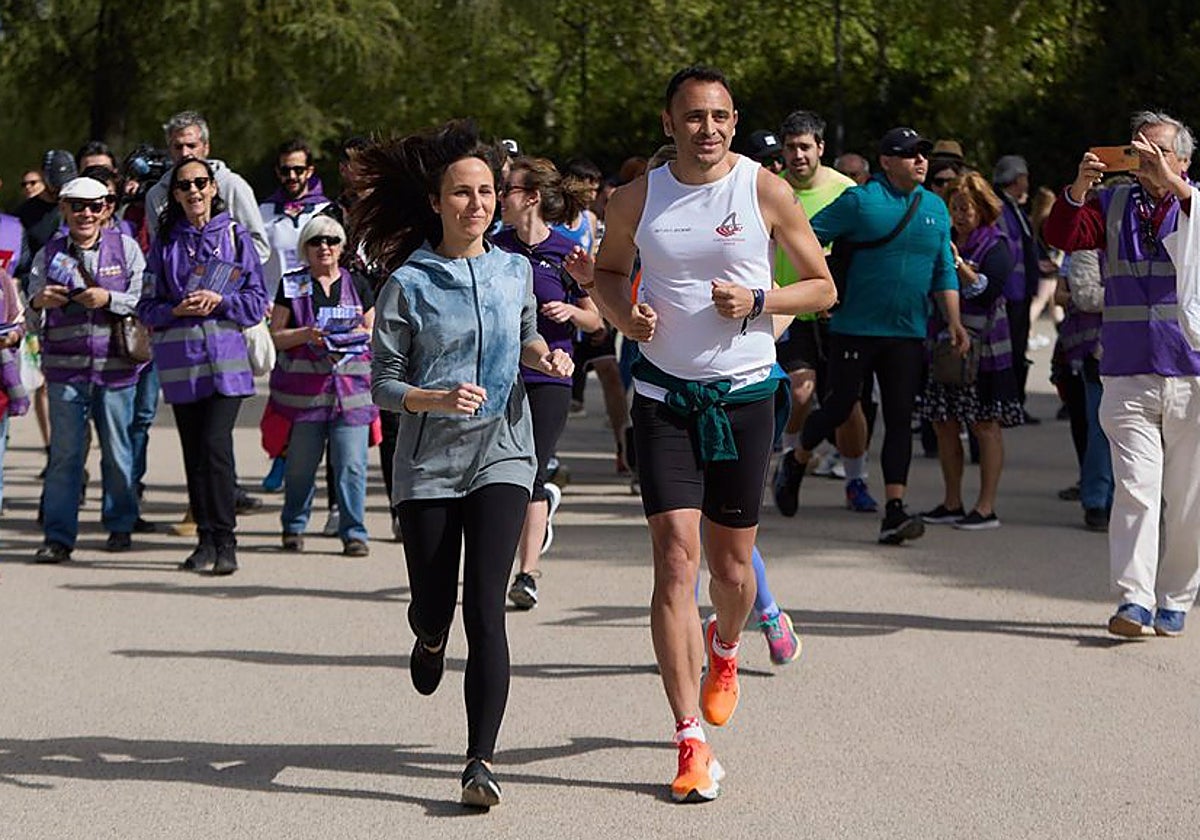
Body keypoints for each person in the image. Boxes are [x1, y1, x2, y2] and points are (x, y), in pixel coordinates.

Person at [576, 66, 836, 803]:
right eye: (694, 116)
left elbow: (822, 288)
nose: (709, 129)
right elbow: (608, 272)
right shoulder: (636, 197)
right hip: (662, 398)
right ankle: (689, 737)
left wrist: (760, 298)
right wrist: (626, 319)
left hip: (747, 395)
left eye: (720, 116)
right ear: (669, 123)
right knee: (674, 561)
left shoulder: (764, 189)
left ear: (733, 121)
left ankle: (725, 647)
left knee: (731, 572)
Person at [361, 121, 573, 808]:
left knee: (486, 608)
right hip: (427, 464)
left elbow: (528, 336)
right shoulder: (409, 282)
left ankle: (479, 761)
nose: (477, 204)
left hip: (503, 453)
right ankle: (427, 637)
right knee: (435, 605)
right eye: (462, 192)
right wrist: (435, 397)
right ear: (436, 202)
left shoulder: (515, 270)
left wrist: (545, 356)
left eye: (486, 191)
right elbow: (383, 384)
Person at [1043, 110, 1200, 638]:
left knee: (1187, 499)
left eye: (1154, 151)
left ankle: (1175, 598)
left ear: (1182, 158)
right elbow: (1063, 234)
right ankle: (1134, 599)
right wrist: (1080, 187)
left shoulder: (1195, 203)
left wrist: (1173, 183)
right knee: (1135, 487)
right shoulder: (1113, 204)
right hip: (1128, 368)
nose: (1143, 161)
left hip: (1192, 373)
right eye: (1136, 152)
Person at [794, 127, 970, 544]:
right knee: (839, 407)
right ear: (887, 161)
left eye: (923, 154)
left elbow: (944, 267)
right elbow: (808, 237)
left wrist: (955, 321)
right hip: (853, 328)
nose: (921, 161)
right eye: (910, 155)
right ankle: (796, 459)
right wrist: (820, 286)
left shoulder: (934, 208)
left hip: (907, 333)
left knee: (897, 417)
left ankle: (894, 509)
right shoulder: (860, 201)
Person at [137, 157, 268, 576]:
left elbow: (255, 302)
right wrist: (175, 308)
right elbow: (147, 306)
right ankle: (204, 541)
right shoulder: (164, 244)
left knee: (215, 447)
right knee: (194, 454)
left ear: (214, 188)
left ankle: (226, 539)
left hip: (225, 366)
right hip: (181, 364)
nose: (193, 191)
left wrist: (221, 300)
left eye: (200, 183)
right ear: (174, 194)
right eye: (184, 185)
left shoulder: (235, 236)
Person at [492, 156, 603, 609]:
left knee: (532, 471)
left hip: (551, 373)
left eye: (507, 191)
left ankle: (527, 573)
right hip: (499, 374)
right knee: (500, 474)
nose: (499, 200)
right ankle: (496, 561)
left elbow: (597, 320)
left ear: (531, 197)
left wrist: (571, 312)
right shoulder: (494, 248)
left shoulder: (565, 252)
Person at [27, 176, 147, 562]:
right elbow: (29, 315)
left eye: (95, 205)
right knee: (65, 455)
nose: (86, 213)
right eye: (77, 205)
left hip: (115, 370)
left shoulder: (126, 249)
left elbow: (144, 301)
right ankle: (59, 537)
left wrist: (108, 297)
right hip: (65, 371)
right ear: (63, 209)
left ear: (107, 208)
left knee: (117, 450)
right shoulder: (49, 254)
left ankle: (120, 524)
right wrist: (39, 301)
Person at [769, 110, 875, 517]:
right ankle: (790, 459)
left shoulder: (845, 190)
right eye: (790, 147)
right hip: (788, 309)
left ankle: (856, 480)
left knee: (849, 407)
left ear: (820, 149)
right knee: (800, 390)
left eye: (805, 147)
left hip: (836, 312)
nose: (797, 155)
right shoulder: (770, 190)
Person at [919, 172, 1021, 530]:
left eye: (967, 208)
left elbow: (987, 291)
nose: (960, 215)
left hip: (987, 350)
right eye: (954, 208)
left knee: (985, 425)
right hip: (943, 346)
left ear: (983, 210)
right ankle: (951, 502)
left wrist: (957, 264)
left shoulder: (997, 245)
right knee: (944, 424)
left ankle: (985, 507)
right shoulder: (941, 238)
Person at [268, 215, 375, 556]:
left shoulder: (358, 283)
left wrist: (353, 337)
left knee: (352, 465)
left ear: (342, 247)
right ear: (305, 248)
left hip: (351, 391)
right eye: (316, 241)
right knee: (300, 466)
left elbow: (373, 333)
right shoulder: (292, 284)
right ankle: (293, 525)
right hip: (304, 395)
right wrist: (306, 333)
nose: (324, 247)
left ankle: (354, 532)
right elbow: (277, 337)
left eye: (331, 240)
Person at [993, 154, 1040, 421]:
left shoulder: (1013, 208)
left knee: (1018, 349)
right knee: (1010, 351)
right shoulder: (1001, 208)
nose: (1027, 182)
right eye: (1024, 177)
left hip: (1019, 290)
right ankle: (1009, 404)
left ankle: (1015, 403)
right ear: (1016, 179)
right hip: (1010, 291)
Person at [259, 139, 331, 300]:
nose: (291, 176)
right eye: (285, 171)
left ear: (309, 171)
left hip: (315, 302)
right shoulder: (262, 213)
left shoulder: (327, 212)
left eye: (298, 170)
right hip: (273, 303)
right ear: (278, 172)